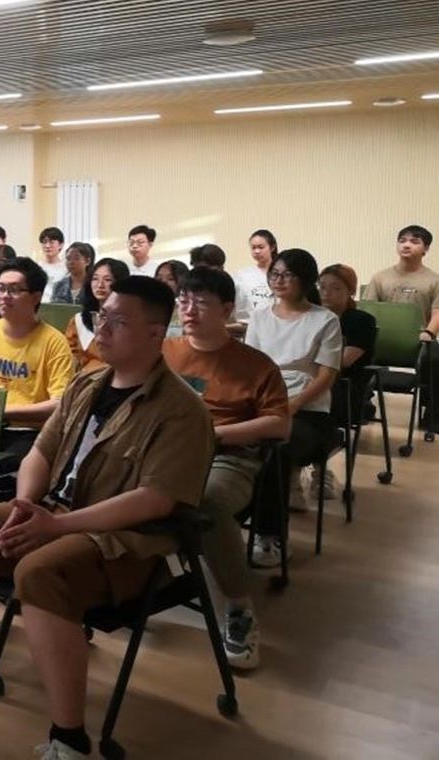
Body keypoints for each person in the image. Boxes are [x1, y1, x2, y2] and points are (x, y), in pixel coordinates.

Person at [0, 278, 214, 760]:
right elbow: (42, 451)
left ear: (156, 333)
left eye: (118, 322)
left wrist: (56, 526)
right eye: (101, 317)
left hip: (126, 540)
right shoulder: (88, 384)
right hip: (54, 512)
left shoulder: (181, 409)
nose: (102, 330)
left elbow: (155, 501)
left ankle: (69, 739)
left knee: (39, 572)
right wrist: (24, 505)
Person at [162, 268, 290, 670]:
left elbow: (279, 424)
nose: (189, 310)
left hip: (227, 456)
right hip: (165, 451)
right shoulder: (164, 352)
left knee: (209, 501)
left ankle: (238, 607)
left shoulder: (255, 364)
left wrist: (216, 436)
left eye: (201, 302)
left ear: (227, 310)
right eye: (184, 300)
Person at [246, 249, 342, 563]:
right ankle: (221, 526)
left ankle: (268, 535)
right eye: (275, 274)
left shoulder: (325, 320)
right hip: (265, 405)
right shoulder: (260, 316)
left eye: (287, 275)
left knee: (276, 450)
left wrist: (292, 405)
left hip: (308, 412)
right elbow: (250, 369)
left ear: (306, 280)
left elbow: (326, 375)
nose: (279, 280)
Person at [0, 258, 74, 428]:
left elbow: (59, 403)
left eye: (14, 290)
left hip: (28, 431)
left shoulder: (54, 342)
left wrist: (1, 411)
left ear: (36, 297)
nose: (4, 296)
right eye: (1, 288)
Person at [364, 225, 439, 431]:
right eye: (402, 240)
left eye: (414, 241)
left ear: (425, 249)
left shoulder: (434, 280)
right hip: (382, 340)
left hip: (419, 341)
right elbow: (368, 311)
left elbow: (437, 313)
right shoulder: (380, 277)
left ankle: (432, 415)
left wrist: (429, 333)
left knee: (436, 357)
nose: (407, 245)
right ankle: (362, 405)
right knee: (356, 352)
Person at [318, 264, 377, 428]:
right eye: (322, 287)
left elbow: (344, 361)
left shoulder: (361, 320)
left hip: (345, 384)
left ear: (350, 291)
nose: (326, 293)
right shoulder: (312, 317)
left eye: (335, 288)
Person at [65, 258, 129, 373]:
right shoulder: (78, 321)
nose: (100, 285)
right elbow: (69, 359)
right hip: (85, 380)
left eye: (108, 279)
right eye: (95, 279)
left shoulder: (129, 322)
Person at [235, 229, 278, 326]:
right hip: (249, 326)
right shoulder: (243, 275)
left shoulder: (281, 274)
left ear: (272, 247)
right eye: (253, 248)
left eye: (261, 247)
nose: (257, 251)